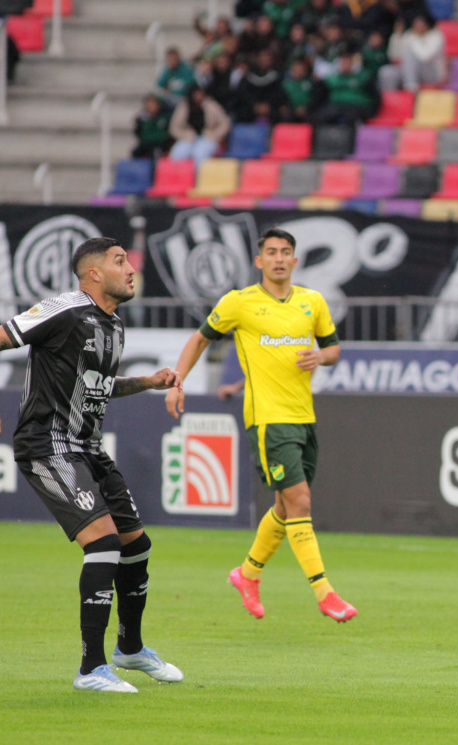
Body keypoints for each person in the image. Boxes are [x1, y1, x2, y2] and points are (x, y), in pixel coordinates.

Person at [0, 237, 184, 693]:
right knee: (102, 542)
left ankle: (131, 649)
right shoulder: (65, 306)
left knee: (136, 546)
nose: (131, 267)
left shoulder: (112, 324)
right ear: (93, 273)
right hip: (48, 445)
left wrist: (146, 382)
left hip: (89, 446)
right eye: (120, 260)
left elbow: (99, 385)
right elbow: (8, 334)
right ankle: (90, 668)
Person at [164, 227, 356, 623]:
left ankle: (247, 574)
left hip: (304, 417)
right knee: (300, 500)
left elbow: (334, 348)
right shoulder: (240, 303)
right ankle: (325, 592)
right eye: (272, 252)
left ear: (296, 259)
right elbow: (200, 339)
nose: (280, 258)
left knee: (286, 508)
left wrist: (320, 358)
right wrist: (177, 380)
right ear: (259, 261)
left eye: (286, 252)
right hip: (268, 420)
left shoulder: (312, 302)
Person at [380, 13, 446, 93]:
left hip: (431, 72)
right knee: (386, 72)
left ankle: (411, 89)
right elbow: (394, 55)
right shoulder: (409, 34)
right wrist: (397, 36)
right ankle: (391, 101)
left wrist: (415, 39)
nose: (416, 25)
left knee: (409, 54)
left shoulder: (436, 36)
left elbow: (425, 56)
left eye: (419, 23)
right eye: (415, 23)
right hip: (409, 70)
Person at [132, 94, 172, 160]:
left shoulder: (164, 118)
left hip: (160, 145)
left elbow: (167, 134)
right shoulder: (142, 119)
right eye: (149, 104)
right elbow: (138, 132)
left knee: (157, 154)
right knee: (136, 153)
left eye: (153, 104)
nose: (151, 106)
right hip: (146, 144)